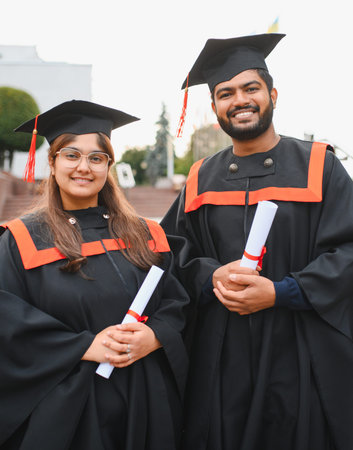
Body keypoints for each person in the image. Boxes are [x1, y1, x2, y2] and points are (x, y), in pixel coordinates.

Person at [161, 33, 353, 450]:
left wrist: (283, 292)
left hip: (300, 348)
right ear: (214, 107)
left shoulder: (320, 165)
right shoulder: (199, 179)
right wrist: (213, 275)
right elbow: (171, 253)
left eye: (251, 88)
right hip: (221, 358)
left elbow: (349, 250)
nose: (240, 100)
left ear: (273, 95)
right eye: (226, 93)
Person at [0, 100, 189, 450]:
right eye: (71, 155)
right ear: (53, 162)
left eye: (96, 158)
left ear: (108, 167)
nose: (83, 167)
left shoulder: (145, 234)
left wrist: (155, 335)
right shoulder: (20, 239)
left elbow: (176, 300)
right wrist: (84, 346)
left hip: (144, 401)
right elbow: (7, 320)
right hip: (68, 409)